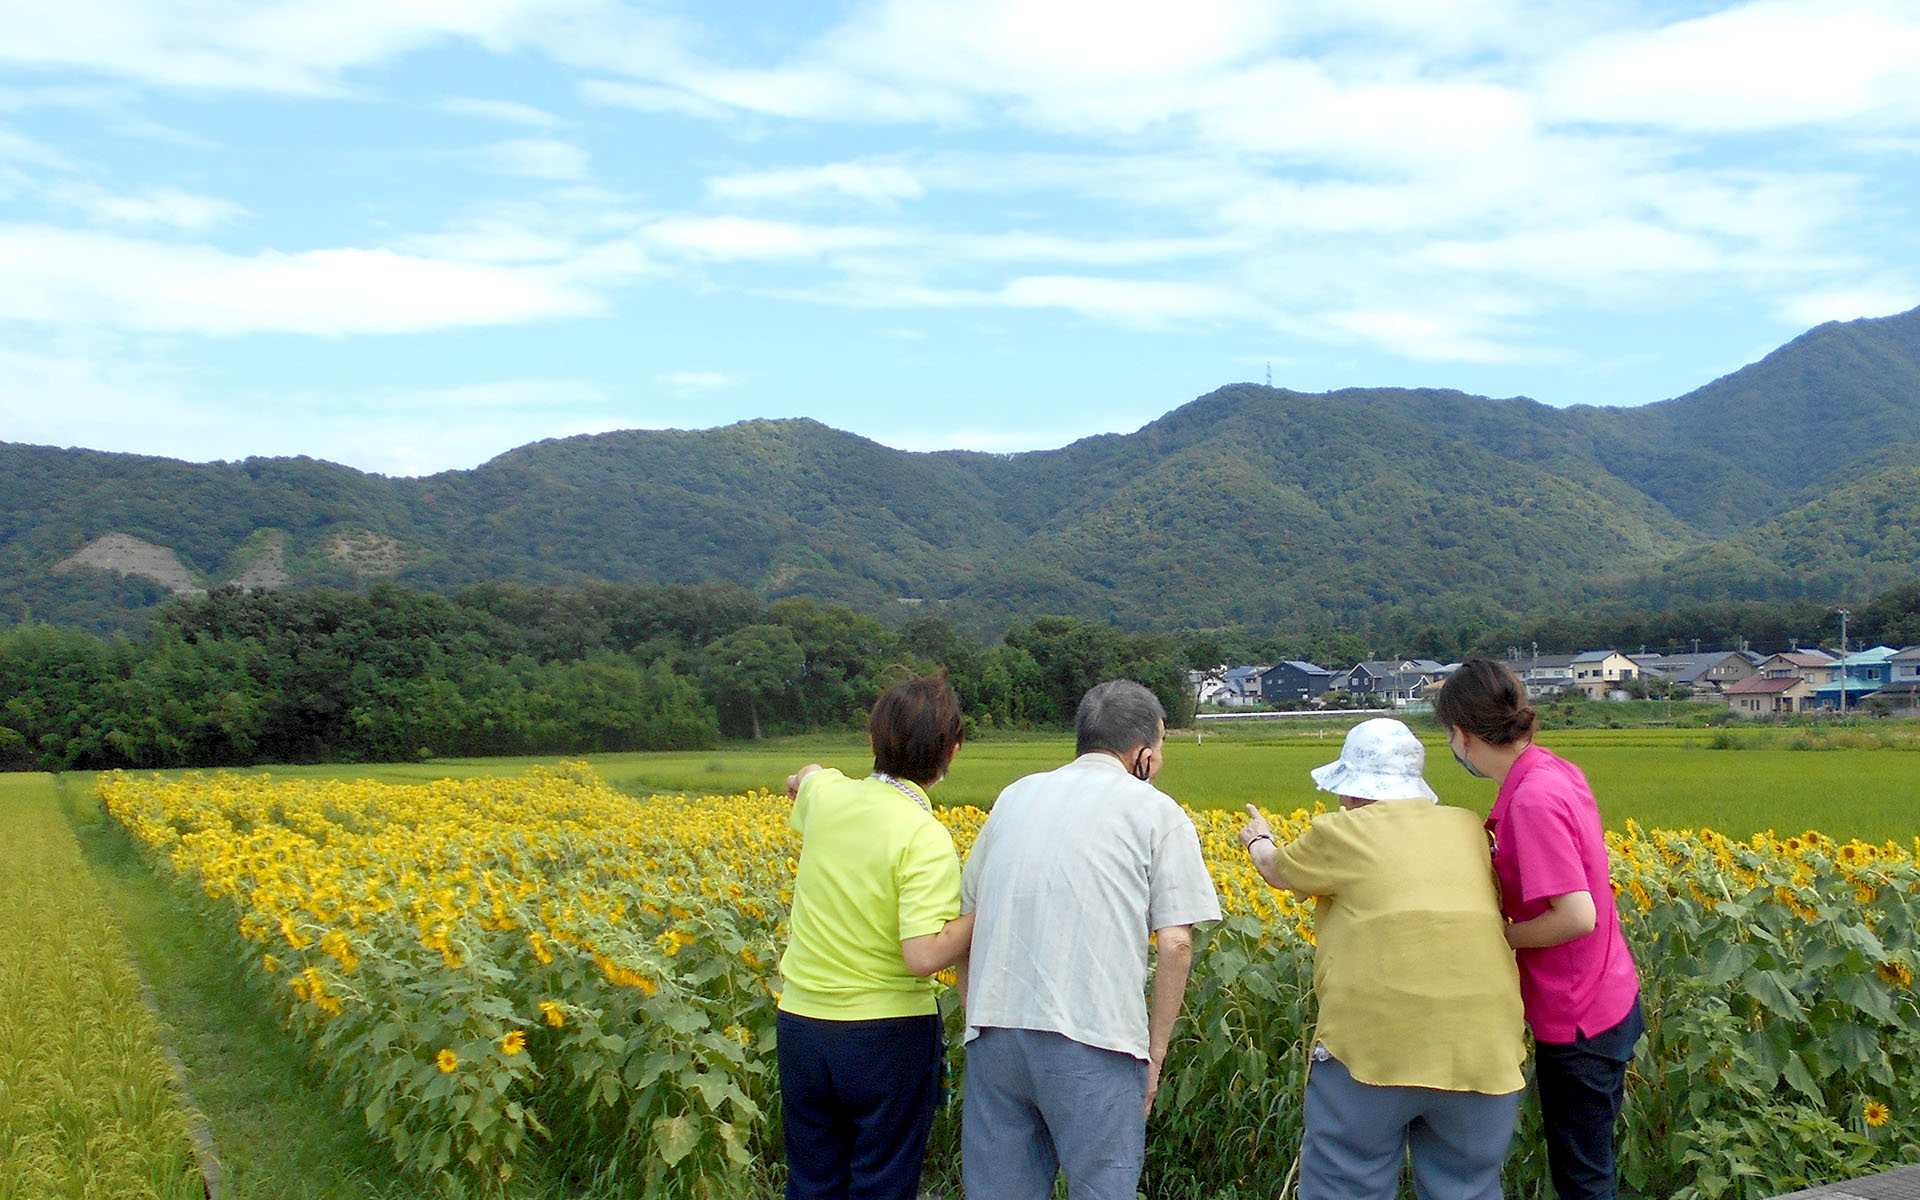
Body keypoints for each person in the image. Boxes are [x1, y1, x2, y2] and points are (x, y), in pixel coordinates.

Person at [1239, 717, 1525, 1200]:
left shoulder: (1343, 831)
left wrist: (1258, 838)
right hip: (1483, 1046)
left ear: (1351, 790)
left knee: (1346, 1180)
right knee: (1467, 1187)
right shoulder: (1467, 828)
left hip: (1373, 1045)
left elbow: (1276, 871)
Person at [958, 679, 1221, 1200]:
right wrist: (1155, 1056)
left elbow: (969, 919)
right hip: (1094, 1038)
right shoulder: (1157, 812)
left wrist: (975, 1022)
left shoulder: (1016, 796)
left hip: (995, 1032)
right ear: (1144, 754)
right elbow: (1176, 944)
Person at [1434, 659, 1644, 1200]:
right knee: (1587, 1164)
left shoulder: (1532, 799)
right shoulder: (1550, 770)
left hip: (1578, 1014)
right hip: (1604, 991)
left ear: (1460, 733)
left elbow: (1576, 915)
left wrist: (1497, 938)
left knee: (1583, 1177)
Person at [776, 676, 977, 1200]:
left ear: (874, 742)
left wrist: (801, 778)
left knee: (813, 1180)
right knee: (880, 1183)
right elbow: (924, 954)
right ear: (950, 752)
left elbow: (808, 776)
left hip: (801, 1025)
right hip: (884, 1037)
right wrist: (987, 912)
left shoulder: (829, 796)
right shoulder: (922, 834)